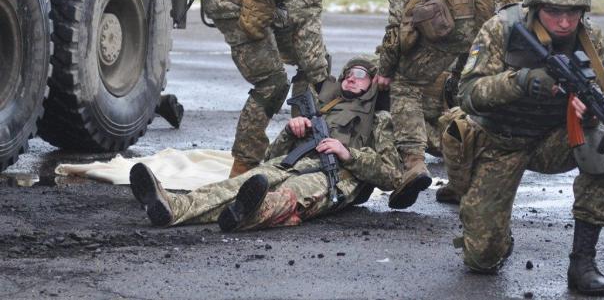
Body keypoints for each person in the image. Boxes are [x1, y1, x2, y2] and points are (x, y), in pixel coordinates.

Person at [374, 0, 557, 208]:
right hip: (499, 17)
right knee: (473, 91)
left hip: (448, 24)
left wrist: (386, 65)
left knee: (406, 84)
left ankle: (413, 165)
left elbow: (401, 15)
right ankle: (465, 180)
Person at [445, 0, 604, 296]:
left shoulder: (592, 39)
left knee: (601, 145)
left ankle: (583, 261)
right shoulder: (502, 29)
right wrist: (521, 82)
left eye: (574, 13)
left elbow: (595, 95)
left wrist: (589, 114)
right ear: (536, 6)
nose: (565, 22)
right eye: (555, 12)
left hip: (552, 139)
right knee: (481, 259)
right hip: (499, 141)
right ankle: (497, 238)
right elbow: (467, 95)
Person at [203, 0, 393, 177]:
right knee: (272, 83)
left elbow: (301, 19)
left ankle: (305, 132)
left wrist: (315, 69)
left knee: (315, 59)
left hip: (260, 1)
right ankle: (243, 165)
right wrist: (319, 79)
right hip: (233, 3)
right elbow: (305, 18)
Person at [128, 56, 428, 232]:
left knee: (289, 196)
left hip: (335, 177)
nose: (351, 79)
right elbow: (272, 156)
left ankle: (247, 214)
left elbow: (390, 175)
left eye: (360, 75)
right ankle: (172, 207)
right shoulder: (323, 108)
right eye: (348, 74)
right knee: (240, 184)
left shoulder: (379, 119)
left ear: (373, 84)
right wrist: (291, 131)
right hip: (291, 162)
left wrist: (347, 153)